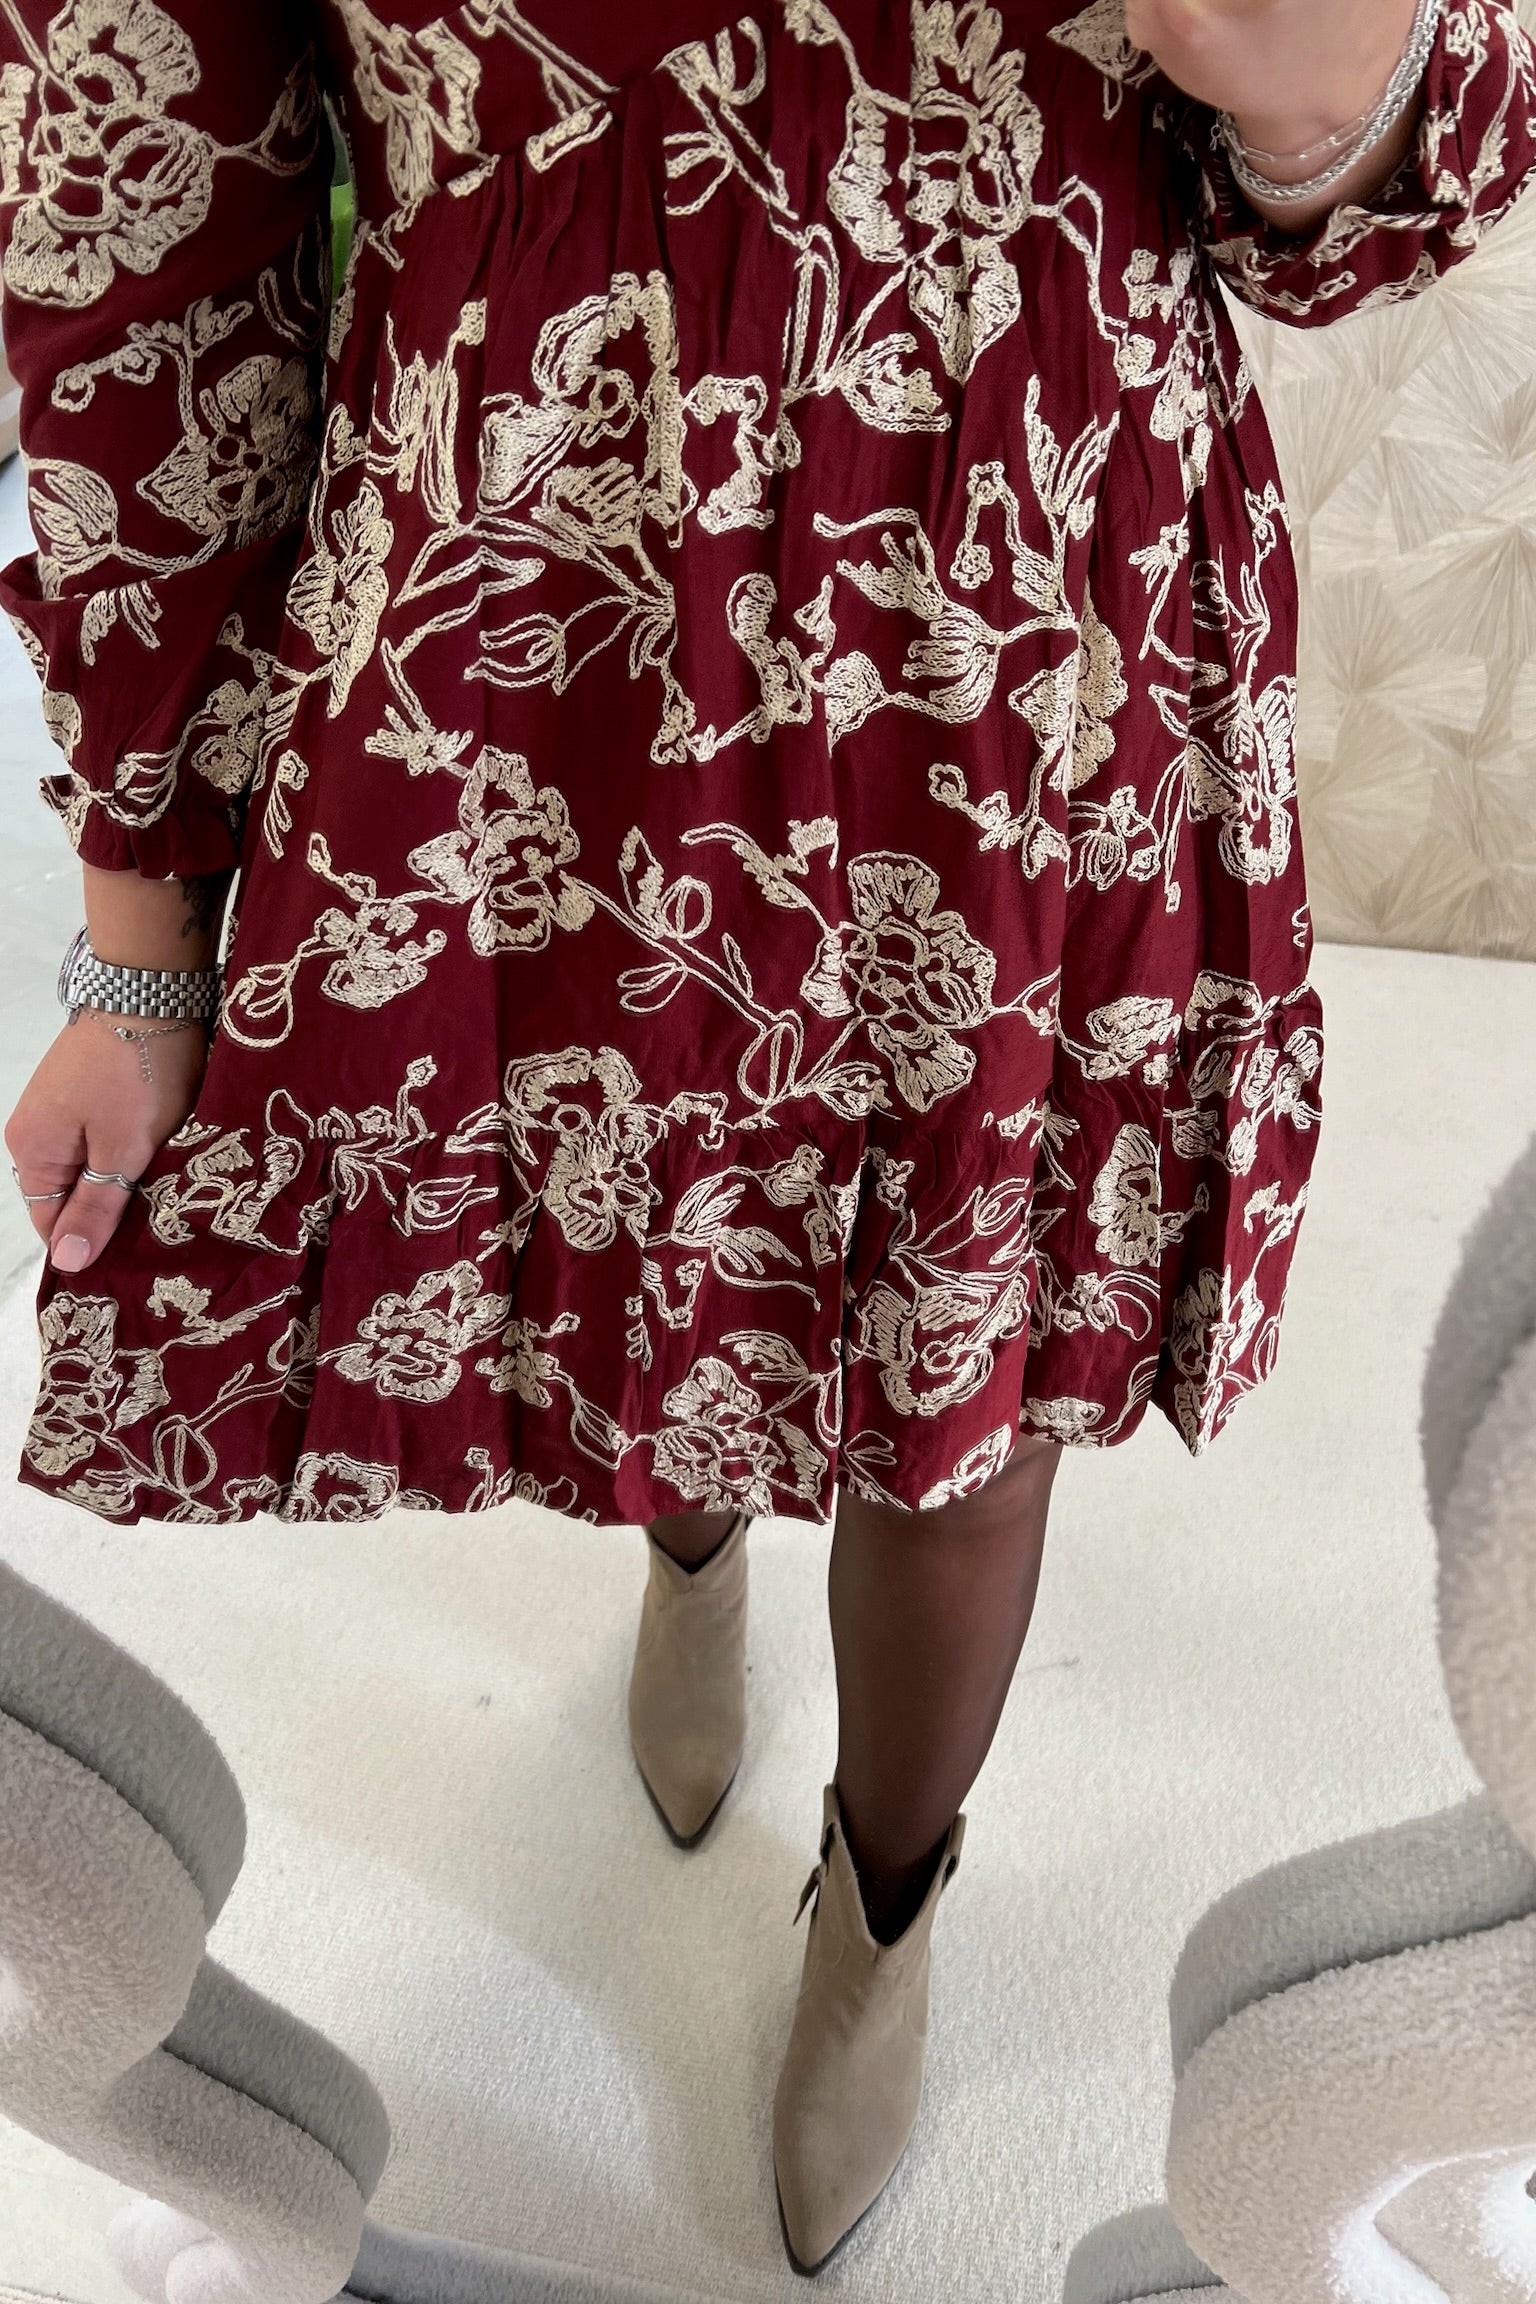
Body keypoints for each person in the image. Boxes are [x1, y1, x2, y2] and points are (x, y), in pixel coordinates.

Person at [2, 0, 1532, 2274]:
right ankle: (690, 1544)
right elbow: (143, 241)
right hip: (547, 621)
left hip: (1028, 630)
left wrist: (1336, 85)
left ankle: (883, 1907)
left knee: (967, 1375)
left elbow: (1389, 168)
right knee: (647, 1219)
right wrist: (143, 936)